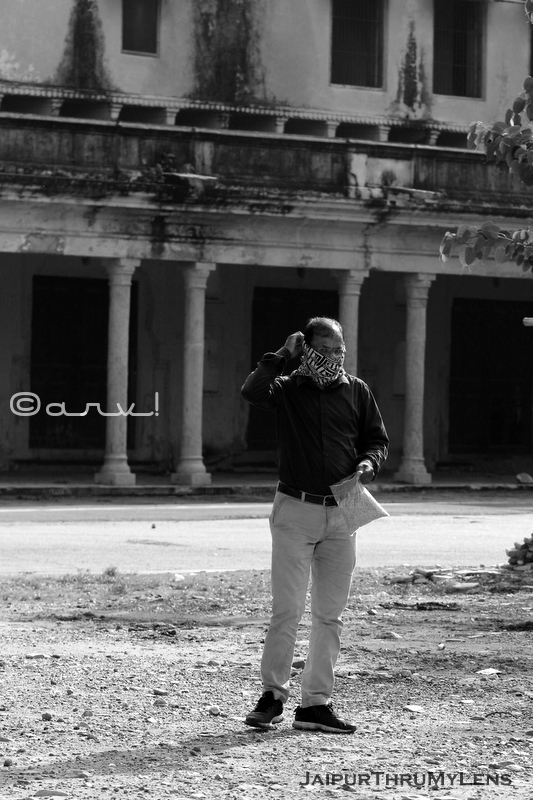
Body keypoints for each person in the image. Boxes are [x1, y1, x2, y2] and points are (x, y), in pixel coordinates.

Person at [240, 316, 389, 734]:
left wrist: (368, 462)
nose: (334, 358)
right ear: (307, 350)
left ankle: (315, 705)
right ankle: (271, 697)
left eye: (340, 350)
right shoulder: (287, 388)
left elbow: (376, 439)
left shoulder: (356, 391)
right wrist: (281, 356)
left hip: (343, 509)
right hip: (295, 510)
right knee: (286, 610)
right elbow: (251, 390)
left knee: (330, 615)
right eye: (325, 351)